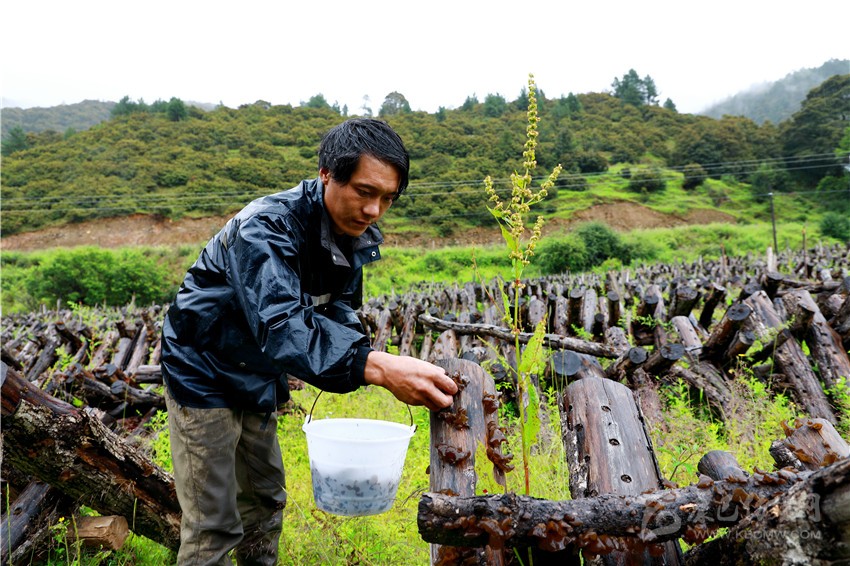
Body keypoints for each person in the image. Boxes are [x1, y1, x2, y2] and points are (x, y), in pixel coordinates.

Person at [160, 118, 458, 565]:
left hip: (258, 370)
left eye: (387, 198)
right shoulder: (264, 229)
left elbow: (338, 309)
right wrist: (374, 366)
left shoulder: (352, 234)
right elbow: (281, 324)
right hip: (203, 368)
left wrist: (364, 355)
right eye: (364, 191)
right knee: (213, 522)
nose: (374, 210)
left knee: (265, 500)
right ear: (326, 175)